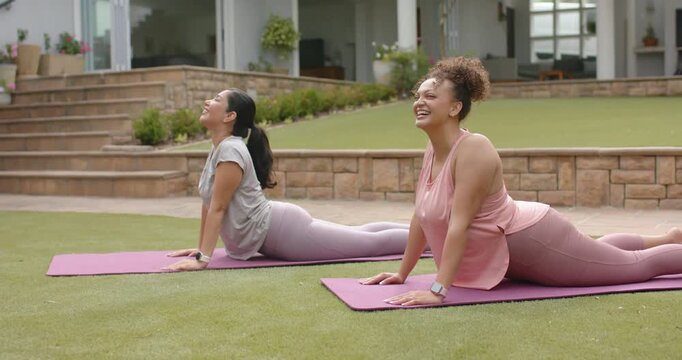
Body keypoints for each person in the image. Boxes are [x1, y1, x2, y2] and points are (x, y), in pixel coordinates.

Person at [361, 57, 682, 306]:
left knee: (632, 268)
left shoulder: (473, 149)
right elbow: (422, 216)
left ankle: (667, 244)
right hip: (514, 249)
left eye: (430, 96)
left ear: (455, 107)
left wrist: (437, 289)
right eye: (418, 96)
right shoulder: (434, 150)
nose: (419, 101)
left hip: (534, 240)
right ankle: (670, 236)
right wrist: (402, 274)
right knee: (598, 253)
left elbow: (458, 225)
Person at [163, 88, 409, 271]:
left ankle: (430, 238)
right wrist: (199, 250)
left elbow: (218, 207)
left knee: (371, 244)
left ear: (230, 116)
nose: (207, 101)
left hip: (283, 232)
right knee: (363, 234)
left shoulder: (230, 150)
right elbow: (209, 203)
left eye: (216, 100)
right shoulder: (219, 148)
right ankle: (425, 233)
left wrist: (203, 260)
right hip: (277, 228)